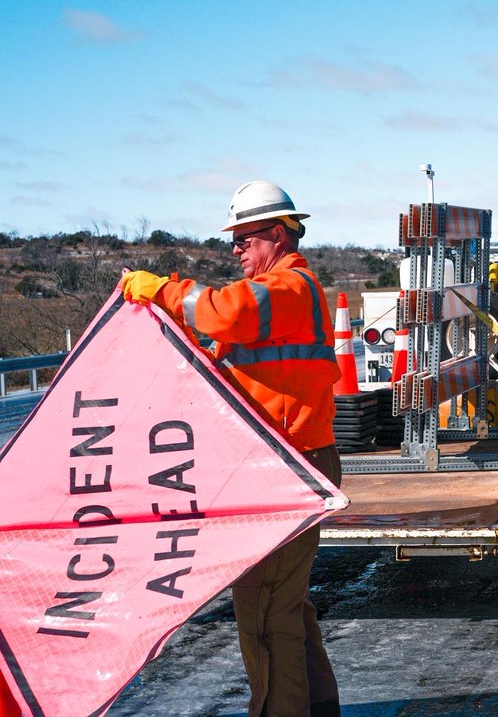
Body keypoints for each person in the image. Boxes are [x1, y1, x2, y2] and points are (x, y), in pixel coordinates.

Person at [121, 180, 341, 717]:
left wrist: (163, 289)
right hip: (288, 463)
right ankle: (317, 706)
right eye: (233, 241)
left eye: (244, 239)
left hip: (287, 468)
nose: (236, 249)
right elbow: (218, 334)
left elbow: (224, 313)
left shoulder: (288, 287)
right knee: (286, 606)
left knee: (265, 612)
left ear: (278, 235)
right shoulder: (278, 298)